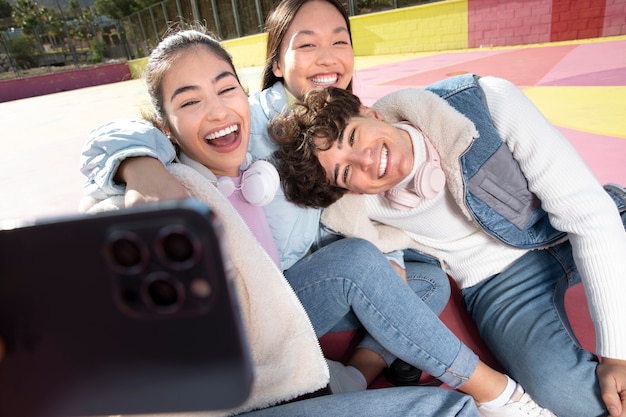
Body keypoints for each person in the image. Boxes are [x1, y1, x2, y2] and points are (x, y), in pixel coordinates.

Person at [79, 3, 557, 415]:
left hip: (291, 295)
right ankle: (495, 393)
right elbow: (111, 138)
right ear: (277, 61)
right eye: (306, 45)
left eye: (339, 41)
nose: (326, 58)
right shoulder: (238, 132)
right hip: (252, 323)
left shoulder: (325, 128)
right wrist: (141, 167)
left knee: (422, 278)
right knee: (358, 265)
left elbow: (346, 218)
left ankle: (358, 373)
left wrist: (389, 263)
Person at [267, 80, 626, 417]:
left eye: (354, 136)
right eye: (345, 173)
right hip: (496, 281)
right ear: (350, 192)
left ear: (370, 112)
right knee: (570, 394)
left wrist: (616, 354)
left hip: (572, 223)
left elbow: (589, 215)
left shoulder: (484, 101)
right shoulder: (356, 216)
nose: (365, 159)